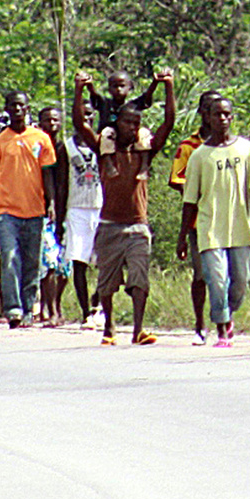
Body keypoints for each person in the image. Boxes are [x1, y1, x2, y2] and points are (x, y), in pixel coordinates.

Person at [72, 68, 176, 346]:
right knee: (106, 283)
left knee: (140, 278)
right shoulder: (105, 147)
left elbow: (169, 122)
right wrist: (79, 89)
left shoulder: (146, 149)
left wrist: (168, 86)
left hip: (138, 226)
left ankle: (138, 329)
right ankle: (109, 328)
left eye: (136, 123)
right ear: (117, 125)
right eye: (128, 123)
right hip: (109, 225)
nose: (132, 127)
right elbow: (80, 123)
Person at [178, 97, 250, 348]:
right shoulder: (200, 156)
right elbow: (190, 200)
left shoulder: (246, 149)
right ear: (208, 118)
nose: (222, 119)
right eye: (217, 114)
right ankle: (222, 328)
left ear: (232, 117)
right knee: (217, 280)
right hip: (210, 229)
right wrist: (181, 237)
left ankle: (229, 313)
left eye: (226, 114)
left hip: (240, 227)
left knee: (242, 281)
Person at [0, 91, 57, 328]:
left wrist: (51, 204)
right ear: (6, 109)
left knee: (32, 263)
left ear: (27, 108)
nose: (16, 109)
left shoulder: (41, 139)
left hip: (35, 211)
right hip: (7, 212)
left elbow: (48, 175)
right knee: (10, 259)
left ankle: (29, 308)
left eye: (20, 105)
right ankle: (13, 308)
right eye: (12, 105)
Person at [169, 89, 223, 345]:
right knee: (202, 274)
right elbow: (178, 180)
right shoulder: (189, 147)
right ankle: (200, 324)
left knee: (228, 274)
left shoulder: (233, 146)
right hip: (198, 220)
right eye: (211, 110)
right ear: (203, 113)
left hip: (226, 218)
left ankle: (225, 322)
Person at [56, 93, 103, 328]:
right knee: (79, 262)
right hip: (77, 209)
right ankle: (86, 312)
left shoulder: (104, 141)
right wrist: (59, 218)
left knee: (106, 262)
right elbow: (62, 184)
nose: (86, 118)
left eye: (89, 114)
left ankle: (99, 303)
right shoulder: (66, 147)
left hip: (102, 208)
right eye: (81, 114)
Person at [37, 106, 72, 325]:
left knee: (65, 265)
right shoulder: (36, 148)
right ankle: (49, 309)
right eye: (47, 120)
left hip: (66, 210)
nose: (52, 124)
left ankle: (55, 304)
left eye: (55, 120)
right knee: (49, 262)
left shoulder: (64, 148)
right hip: (42, 210)